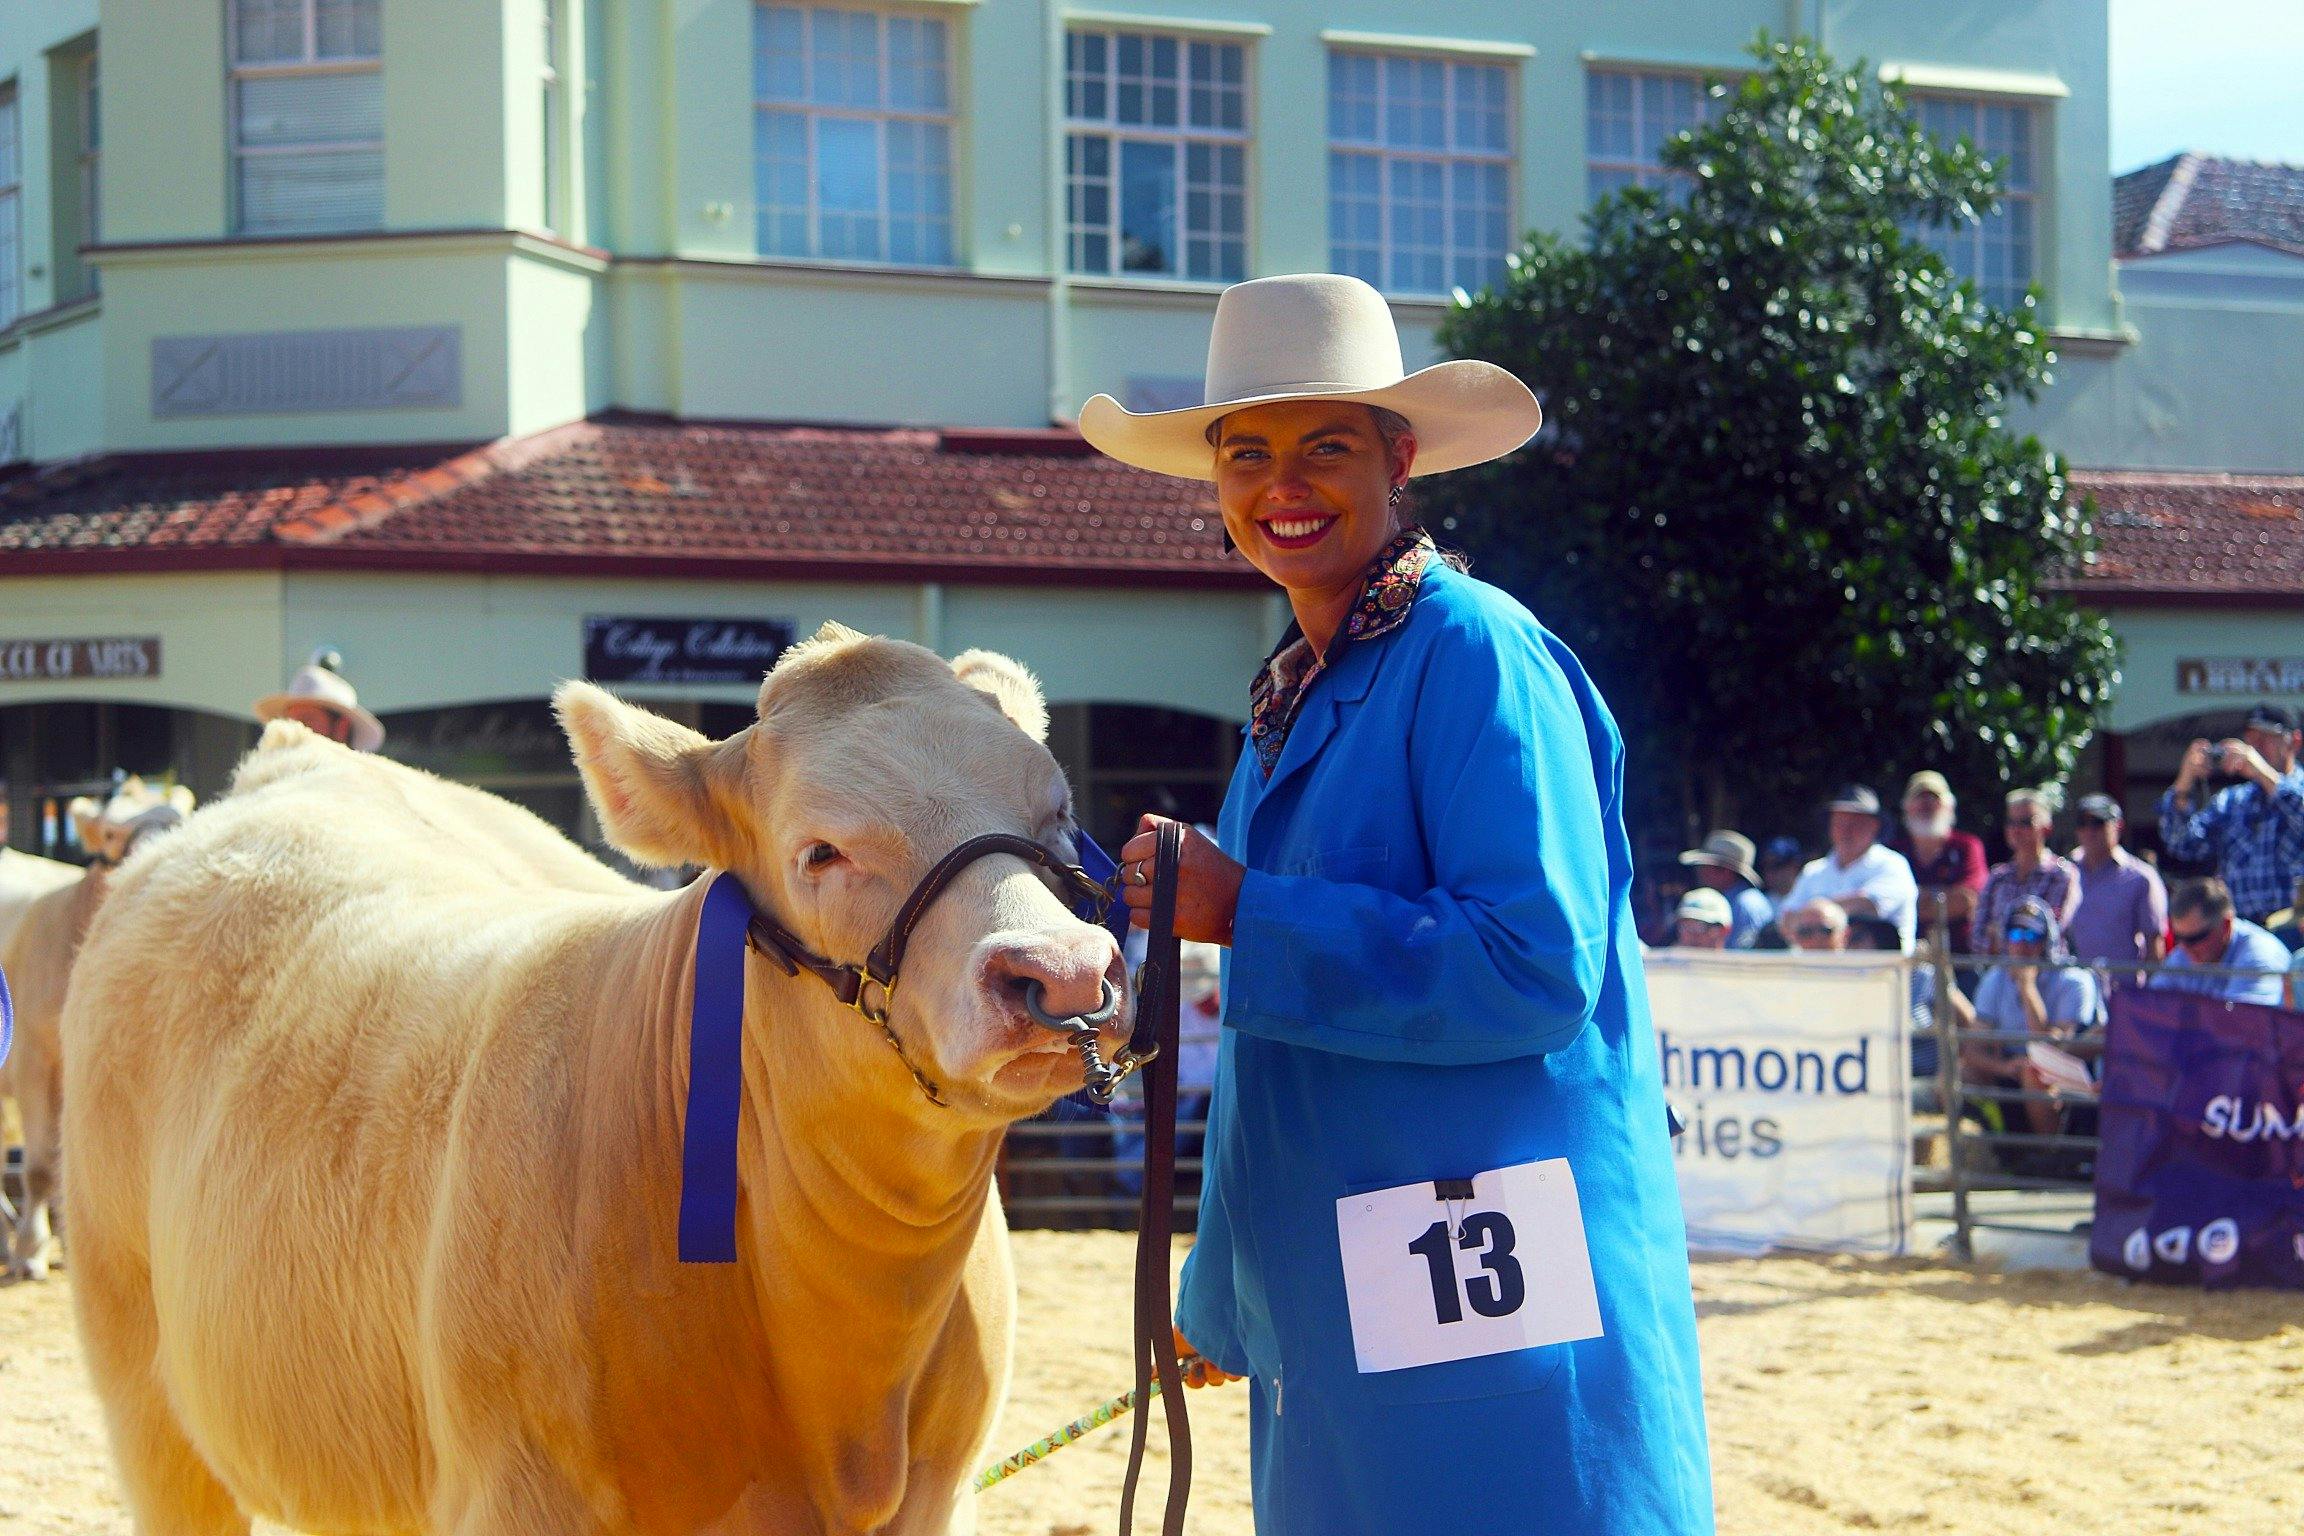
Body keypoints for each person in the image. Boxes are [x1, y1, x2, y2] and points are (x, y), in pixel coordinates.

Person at [1083, 273, 1712, 1534]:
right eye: (1248, 453)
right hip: (1345, 1302)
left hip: (1495, 1299)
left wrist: (1245, 911)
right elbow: (1277, 1063)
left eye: (1326, 446)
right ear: (1216, 485)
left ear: (1400, 456)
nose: (1285, 487)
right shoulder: (1293, 700)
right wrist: (1227, 1291)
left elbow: (1533, 966)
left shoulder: (1475, 647)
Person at [1953, 898, 2103, 1143]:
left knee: (2034, 1074)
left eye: (2031, 937)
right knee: (1959, 1074)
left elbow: (2052, 1047)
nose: (2022, 945)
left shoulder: (2074, 981)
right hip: (2013, 1065)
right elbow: (1972, 1048)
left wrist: (2027, 986)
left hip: (2068, 1071)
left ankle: (2047, 1158)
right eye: (2015, 934)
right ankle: (1995, 1146)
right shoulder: (1995, 979)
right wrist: (2007, 1067)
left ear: (2046, 943)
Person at [2158, 702, 2304, 928]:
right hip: (2242, 931)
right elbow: (2182, 844)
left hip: (2296, 928)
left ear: (2294, 741)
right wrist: (2184, 783)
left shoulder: (2299, 789)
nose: (2254, 748)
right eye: (2251, 739)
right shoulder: (2231, 800)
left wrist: (2263, 773)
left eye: (2266, 738)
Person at [1781, 785, 1919, 948]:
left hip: (1883, 969)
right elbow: (1786, 919)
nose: (1846, 831)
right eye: (1840, 823)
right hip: (1818, 970)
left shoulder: (1893, 865)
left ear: (1874, 826)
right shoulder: (1813, 871)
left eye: (1854, 824)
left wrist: (1809, 917)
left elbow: (1868, 905)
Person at [2065, 792, 2167, 976]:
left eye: (2097, 823)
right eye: (2082, 823)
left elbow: (2154, 944)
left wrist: (2148, 998)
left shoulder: (2141, 878)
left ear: (2118, 826)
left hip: (2122, 992)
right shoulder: (2063, 871)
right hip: (2070, 991)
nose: (2089, 831)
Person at [1886, 770, 1988, 951]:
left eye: (1934, 799)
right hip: (1905, 956)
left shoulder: (1967, 846)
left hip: (1960, 959)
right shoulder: (1893, 852)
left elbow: (1968, 900)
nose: (1926, 805)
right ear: (1906, 807)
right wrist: (1943, 900)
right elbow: (1885, 903)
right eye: (1919, 799)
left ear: (1949, 806)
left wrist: (1908, 901)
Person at [2149, 877, 2291, 1006]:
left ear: (2226, 926)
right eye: (2178, 938)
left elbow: (2242, 1025)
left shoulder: (2260, 955)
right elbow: (2151, 1008)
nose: (2185, 948)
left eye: (2196, 938)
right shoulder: (2182, 954)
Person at [1976, 788, 2079, 955]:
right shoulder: (1997, 877)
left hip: (2048, 976)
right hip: (2003, 975)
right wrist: (2019, 935)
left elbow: (2050, 932)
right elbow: (1977, 938)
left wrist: (1999, 933)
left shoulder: (2061, 875)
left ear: (2046, 829)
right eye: (2011, 822)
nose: (2016, 830)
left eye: (2025, 823)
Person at [253, 648, 387, 752]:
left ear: (342, 728)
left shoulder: (362, 784)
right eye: (289, 723)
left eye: (306, 721)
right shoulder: (273, 780)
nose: (293, 731)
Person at [1676, 830, 1773, 948]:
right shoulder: (1731, 899)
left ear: (1726, 870)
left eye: (1707, 866)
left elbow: (1746, 957)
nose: (1701, 871)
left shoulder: (1746, 903)